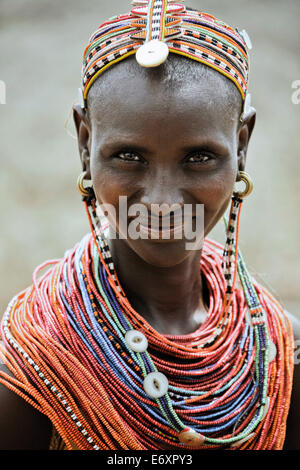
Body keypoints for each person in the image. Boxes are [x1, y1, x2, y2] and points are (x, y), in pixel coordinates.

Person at [0, 0, 299, 451]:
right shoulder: (35, 366)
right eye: (128, 157)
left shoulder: (279, 353)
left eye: (199, 158)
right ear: (85, 144)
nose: (161, 201)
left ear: (242, 146)